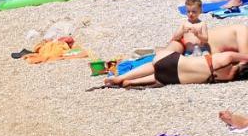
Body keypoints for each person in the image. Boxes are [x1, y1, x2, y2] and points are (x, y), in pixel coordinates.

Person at [105, 47, 248, 87]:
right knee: (160, 73)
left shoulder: (226, 58)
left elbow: (244, 56)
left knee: (155, 62)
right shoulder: (227, 79)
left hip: (171, 62)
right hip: (171, 78)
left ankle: (120, 78)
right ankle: (131, 82)